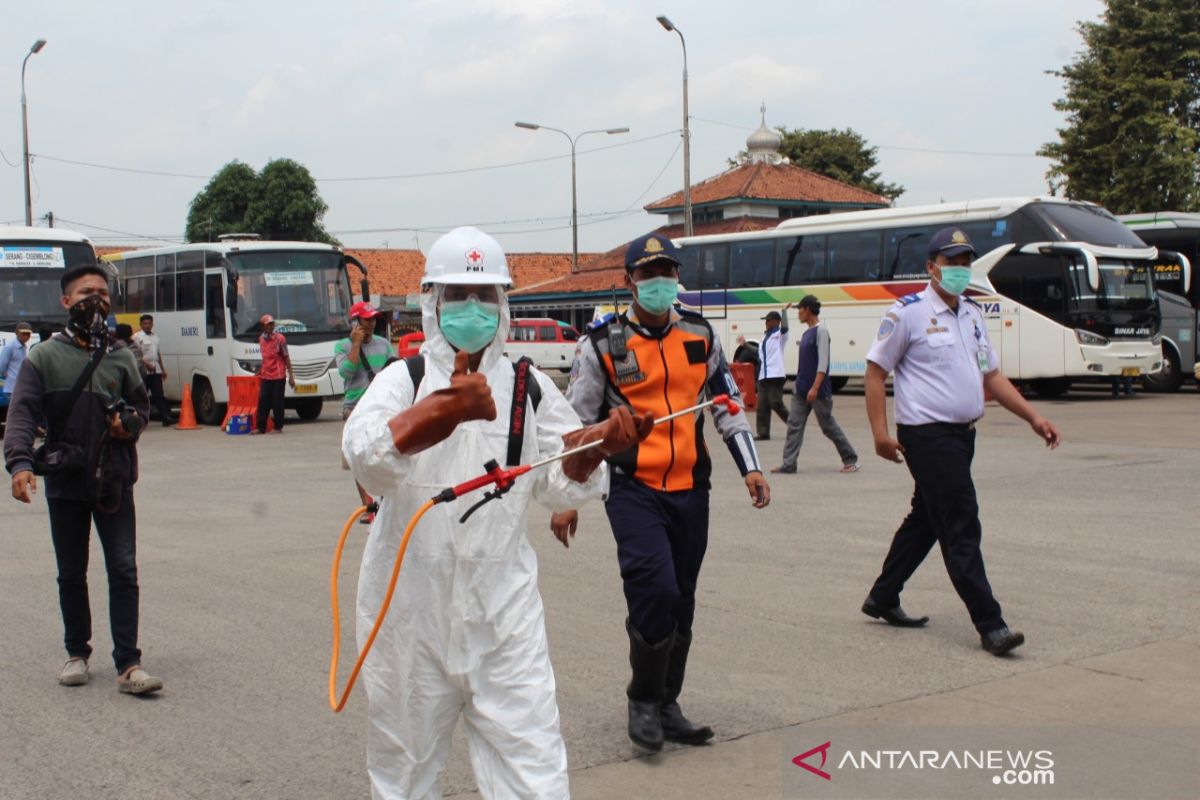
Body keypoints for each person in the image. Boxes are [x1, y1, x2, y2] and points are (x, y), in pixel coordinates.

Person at [343, 227, 645, 799]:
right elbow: (363, 458)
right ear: (432, 302)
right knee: (404, 774)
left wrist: (597, 447)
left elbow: (559, 481)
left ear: (504, 304)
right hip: (410, 613)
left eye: (486, 296)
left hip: (503, 616)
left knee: (533, 772)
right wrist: (437, 414)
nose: (474, 309)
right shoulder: (404, 381)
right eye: (458, 295)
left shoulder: (527, 386)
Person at [555, 232, 770, 753]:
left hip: (692, 487)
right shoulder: (601, 342)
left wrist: (750, 466)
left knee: (684, 598)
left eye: (666, 272)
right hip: (633, 487)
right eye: (647, 274)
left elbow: (725, 402)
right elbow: (576, 424)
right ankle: (643, 699)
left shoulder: (699, 332)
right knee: (656, 588)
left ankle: (669, 703)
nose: (659, 283)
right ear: (628, 282)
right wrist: (566, 494)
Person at [861, 227, 1062, 656]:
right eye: (951, 262)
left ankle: (883, 595)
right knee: (961, 522)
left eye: (965, 261)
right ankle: (991, 624)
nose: (959, 270)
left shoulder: (972, 314)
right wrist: (880, 435)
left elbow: (992, 375)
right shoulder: (907, 313)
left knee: (929, 518)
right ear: (931, 267)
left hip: (963, 435)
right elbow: (876, 372)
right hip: (927, 435)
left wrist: (1033, 416)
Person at [4, 263, 163, 694]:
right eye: (86, 292)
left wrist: (126, 426)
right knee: (71, 572)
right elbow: (21, 415)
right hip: (66, 482)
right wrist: (19, 464)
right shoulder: (44, 357)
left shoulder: (120, 356)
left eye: (103, 293)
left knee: (124, 569)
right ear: (66, 301)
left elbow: (142, 410)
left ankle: (129, 664)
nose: (96, 300)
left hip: (114, 483)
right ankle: (77, 652)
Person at [772, 295, 859, 474]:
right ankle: (789, 464)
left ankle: (850, 459)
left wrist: (815, 387)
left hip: (818, 391)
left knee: (828, 426)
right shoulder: (806, 333)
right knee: (794, 425)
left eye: (800, 310)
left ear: (809, 310)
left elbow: (823, 363)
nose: (798, 313)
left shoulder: (821, 332)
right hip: (801, 390)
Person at [334, 301, 395, 524]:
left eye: (373, 319)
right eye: (366, 319)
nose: (371, 323)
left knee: (384, 456)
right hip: (355, 410)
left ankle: (385, 505)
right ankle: (368, 507)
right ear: (355, 322)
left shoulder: (384, 344)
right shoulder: (342, 346)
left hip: (382, 408)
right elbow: (347, 373)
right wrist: (356, 345)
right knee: (359, 460)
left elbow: (393, 370)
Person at [755, 303, 792, 440]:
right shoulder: (764, 338)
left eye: (769, 320)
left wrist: (784, 311)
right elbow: (758, 354)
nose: (766, 323)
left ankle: (794, 425)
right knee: (762, 405)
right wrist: (744, 345)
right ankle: (763, 433)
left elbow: (786, 326)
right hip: (764, 376)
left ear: (776, 321)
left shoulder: (780, 335)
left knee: (775, 402)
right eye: (766, 321)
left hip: (776, 375)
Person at [132, 314, 175, 426]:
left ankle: (166, 417)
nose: (147, 325)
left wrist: (163, 369)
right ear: (141, 325)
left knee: (159, 395)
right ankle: (138, 419)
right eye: (145, 323)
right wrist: (146, 365)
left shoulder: (155, 337)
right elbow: (136, 355)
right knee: (142, 396)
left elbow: (157, 354)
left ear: (152, 324)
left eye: (149, 323)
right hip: (143, 371)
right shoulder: (137, 337)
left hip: (156, 370)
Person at [254, 314, 295, 434]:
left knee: (278, 401)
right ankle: (260, 427)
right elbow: (265, 358)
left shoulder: (280, 339)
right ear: (263, 327)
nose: (271, 327)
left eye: (272, 324)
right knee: (263, 400)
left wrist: (291, 376)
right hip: (266, 375)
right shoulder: (261, 339)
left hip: (278, 375)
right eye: (268, 325)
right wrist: (260, 371)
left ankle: (278, 427)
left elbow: (286, 357)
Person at [1, 321, 34, 407]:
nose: (26, 336)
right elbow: (2, 366)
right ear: (16, 333)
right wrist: (8, 377)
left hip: (21, 387)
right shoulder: (9, 347)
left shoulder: (24, 347)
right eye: (23, 334)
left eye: (28, 334)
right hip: (12, 388)